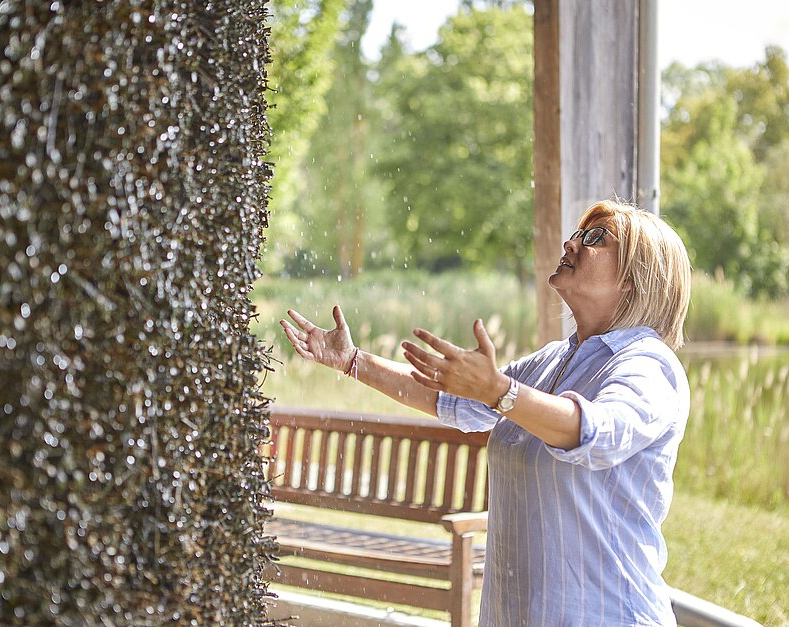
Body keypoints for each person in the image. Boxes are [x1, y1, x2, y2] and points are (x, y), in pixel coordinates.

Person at [280, 199, 692, 626]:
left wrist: (501, 391)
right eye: (578, 233)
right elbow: (451, 401)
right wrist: (352, 360)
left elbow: (595, 431)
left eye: (594, 238)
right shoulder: (552, 361)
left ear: (633, 279)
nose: (571, 243)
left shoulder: (648, 365)